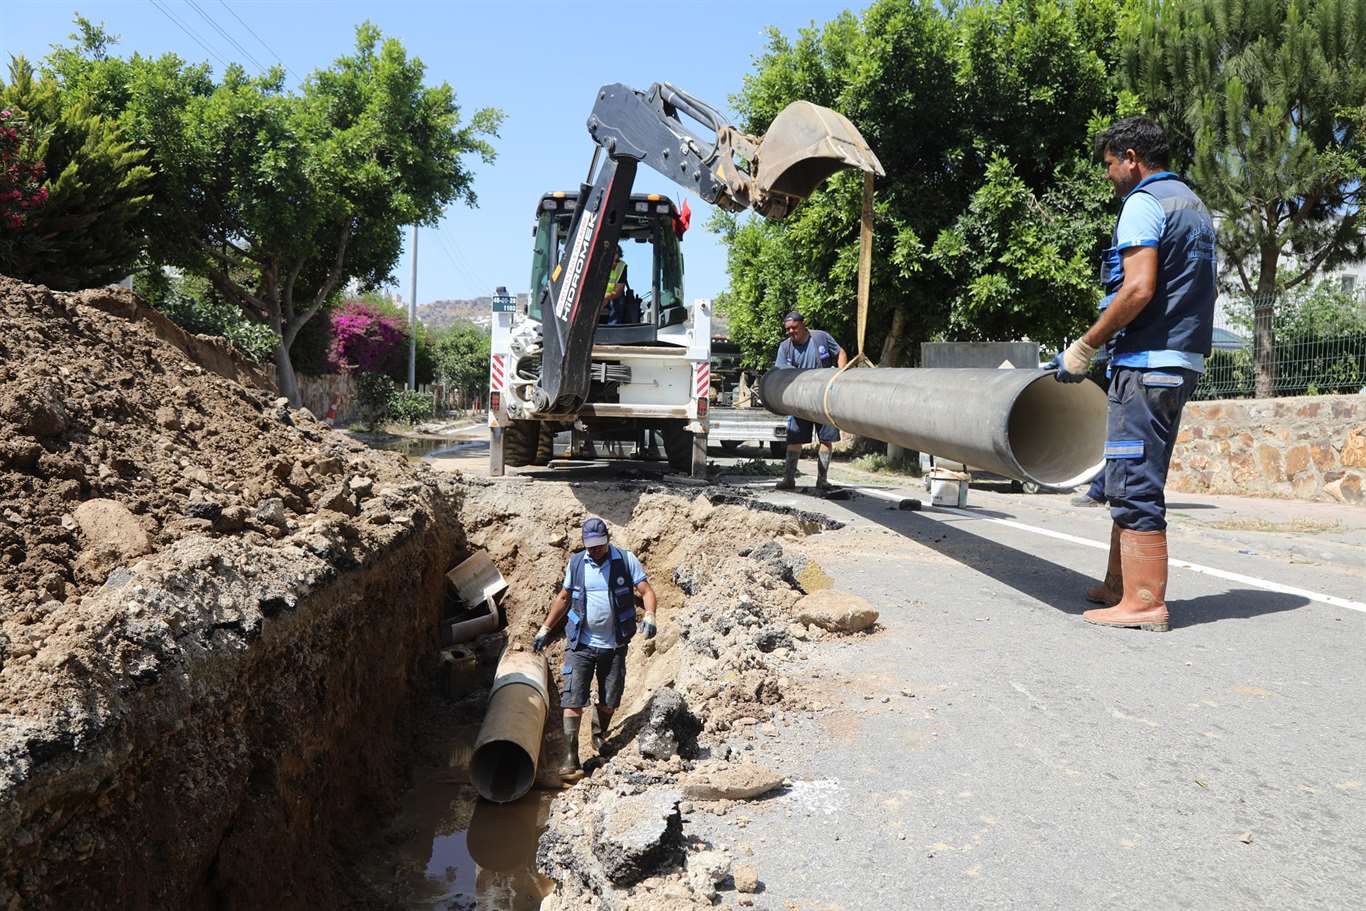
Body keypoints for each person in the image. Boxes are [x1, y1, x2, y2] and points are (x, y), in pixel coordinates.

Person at [1052, 116, 1216, 633]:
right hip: (1181, 361)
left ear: (1130, 157)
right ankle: (1117, 585)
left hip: (1147, 363)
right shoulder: (1192, 204)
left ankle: (1144, 602)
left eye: (1108, 165)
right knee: (1132, 474)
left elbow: (1138, 288)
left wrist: (1085, 346)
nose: (1108, 176)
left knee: (1133, 477)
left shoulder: (1144, 203)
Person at [532, 516, 657, 776]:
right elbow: (564, 597)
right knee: (573, 698)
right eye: (590, 546)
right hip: (581, 644)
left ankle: (598, 735)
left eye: (599, 545)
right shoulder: (577, 563)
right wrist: (545, 628)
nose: (595, 550)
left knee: (610, 698)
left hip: (614, 646)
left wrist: (650, 615)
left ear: (607, 540)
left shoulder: (624, 560)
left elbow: (646, 591)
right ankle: (570, 755)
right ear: (584, 543)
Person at [772, 311, 848, 489]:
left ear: (803, 324)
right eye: (788, 329)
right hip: (799, 401)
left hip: (824, 399)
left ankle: (822, 480)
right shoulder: (785, 347)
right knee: (794, 440)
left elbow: (840, 352)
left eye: (794, 327)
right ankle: (789, 479)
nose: (791, 331)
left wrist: (841, 375)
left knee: (825, 439)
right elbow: (780, 370)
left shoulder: (821, 337)